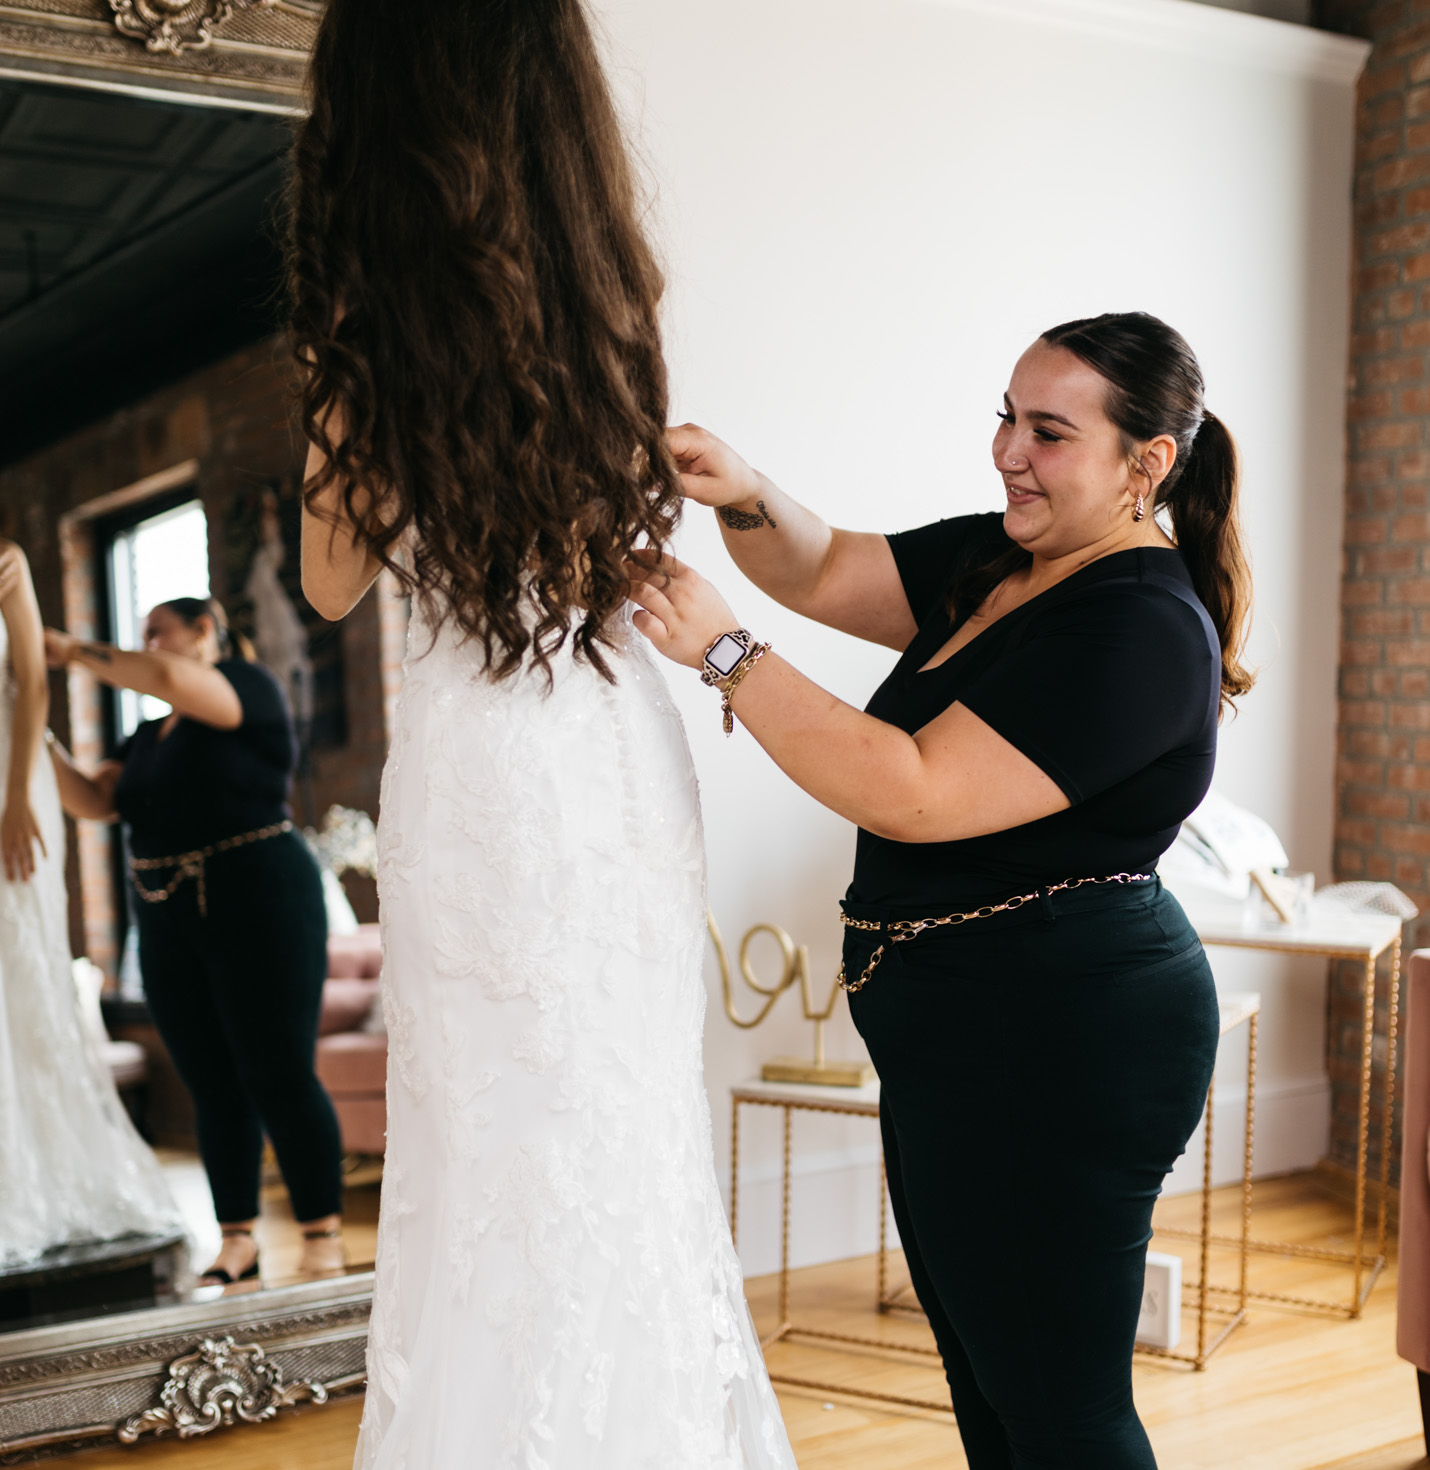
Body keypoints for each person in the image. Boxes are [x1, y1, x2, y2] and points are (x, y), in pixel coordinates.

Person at [290, 2, 795, 1467]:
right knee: (620, 1126)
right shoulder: (606, 298)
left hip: (488, 767)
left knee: (498, 1146)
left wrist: (337, 390)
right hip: (614, 749)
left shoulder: (369, 333)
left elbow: (329, 580)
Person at [630, 311, 1250, 1470]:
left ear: (1146, 464)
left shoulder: (1139, 627)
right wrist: (742, 489)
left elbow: (912, 790)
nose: (1009, 452)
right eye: (1006, 418)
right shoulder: (1007, 559)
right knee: (986, 1375)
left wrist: (725, 654)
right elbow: (820, 567)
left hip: (1063, 1042)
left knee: (1056, 1402)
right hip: (966, 1030)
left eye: (1049, 433)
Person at [43, 597, 344, 1284]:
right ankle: (237, 1238)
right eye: (144, 635)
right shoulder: (150, 738)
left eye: (159, 633)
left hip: (261, 901)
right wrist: (34, 735)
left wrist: (69, 649)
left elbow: (169, 679)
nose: (148, 645)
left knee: (277, 1070)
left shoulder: (247, 687)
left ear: (205, 631)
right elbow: (95, 799)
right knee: (210, 1081)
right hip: (167, 916)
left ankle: (321, 1234)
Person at [0, 541, 181, 1268]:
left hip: (12, 772)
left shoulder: (7, 559)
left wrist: (16, 793)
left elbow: (34, 685)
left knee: (20, 952)